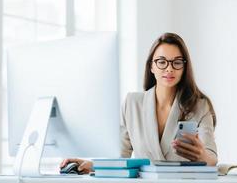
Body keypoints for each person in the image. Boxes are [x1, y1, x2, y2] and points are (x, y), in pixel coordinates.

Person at [60, 32, 218, 174]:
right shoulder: (132, 103)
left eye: (177, 62)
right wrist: (90, 164)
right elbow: (120, 158)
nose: (169, 69)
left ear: (184, 67)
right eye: (161, 62)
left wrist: (201, 154)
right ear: (151, 66)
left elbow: (212, 159)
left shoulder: (200, 106)